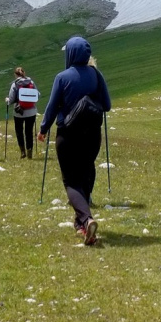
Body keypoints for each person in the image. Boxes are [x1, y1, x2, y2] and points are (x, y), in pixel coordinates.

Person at [39, 36, 111, 245]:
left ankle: (86, 219)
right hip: (92, 135)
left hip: (68, 136)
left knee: (70, 180)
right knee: (86, 172)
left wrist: (43, 129)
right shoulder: (96, 75)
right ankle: (81, 224)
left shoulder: (62, 77)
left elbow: (52, 108)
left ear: (70, 53)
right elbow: (106, 104)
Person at [7, 67, 40, 159]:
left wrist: (7, 100)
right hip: (31, 112)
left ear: (15, 75)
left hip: (19, 112)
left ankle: (22, 152)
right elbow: (38, 95)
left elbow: (11, 99)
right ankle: (30, 153)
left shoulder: (15, 84)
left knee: (19, 132)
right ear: (24, 73)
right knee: (29, 132)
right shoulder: (31, 82)